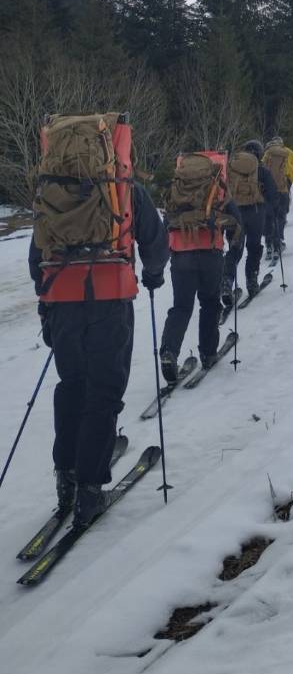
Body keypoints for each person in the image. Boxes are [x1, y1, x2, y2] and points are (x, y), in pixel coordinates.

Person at [29, 113, 169, 527]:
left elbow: (38, 255)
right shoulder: (123, 188)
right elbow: (154, 240)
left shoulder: (50, 191)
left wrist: (46, 305)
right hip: (110, 299)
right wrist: (154, 275)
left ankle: (66, 474)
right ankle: (90, 489)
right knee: (104, 393)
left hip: (63, 301)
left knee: (72, 385)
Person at [159, 151, 243, 381]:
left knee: (181, 308)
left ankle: (169, 352)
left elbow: (165, 224)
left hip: (181, 256)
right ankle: (207, 353)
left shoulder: (176, 190)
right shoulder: (218, 188)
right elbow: (236, 224)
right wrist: (233, 254)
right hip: (210, 255)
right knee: (209, 304)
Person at [223, 140, 278, 302]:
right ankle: (252, 281)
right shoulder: (262, 170)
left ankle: (226, 281)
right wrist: (270, 210)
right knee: (254, 248)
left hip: (233, 214)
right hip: (255, 213)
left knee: (234, 249)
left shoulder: (231, 168)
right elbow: (272, 194)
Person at [262, 137, 293, 261]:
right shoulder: (285, 152)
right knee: (280, 216)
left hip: (267, 192)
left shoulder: (266, 155)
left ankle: (268, 244)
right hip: (282, 189)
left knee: (269, 218)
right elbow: (292, 166)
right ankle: (278, 242)